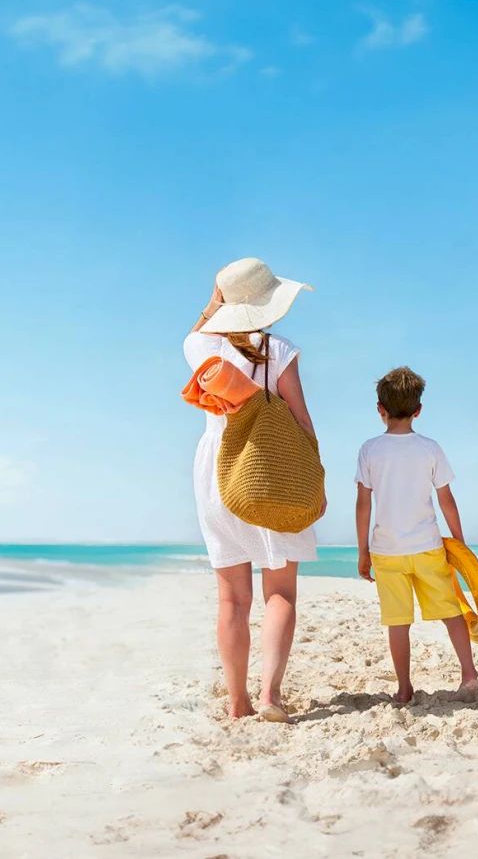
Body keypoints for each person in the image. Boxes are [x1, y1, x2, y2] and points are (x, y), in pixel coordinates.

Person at [184, 257, 323, 723]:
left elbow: (196, 329)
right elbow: (301, 419)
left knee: (232, 599)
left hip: (219, 471)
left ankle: (237, 701)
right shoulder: (281, 350)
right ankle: (270, 697)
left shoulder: (202, 348)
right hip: (272, 469)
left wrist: (214, 300)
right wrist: (314, 472)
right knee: (280, 592)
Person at [355, 367, 478, 704]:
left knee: (398, 622)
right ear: (418, 410)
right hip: (427, 546)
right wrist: (460, 543)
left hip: (386, 550)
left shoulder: (369, 450)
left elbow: (363, 504)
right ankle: (468, 674)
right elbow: (446, 499)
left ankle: (404, 687)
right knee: (450, 610)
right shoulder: (430, 448)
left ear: (379, 408)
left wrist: (362, 551)